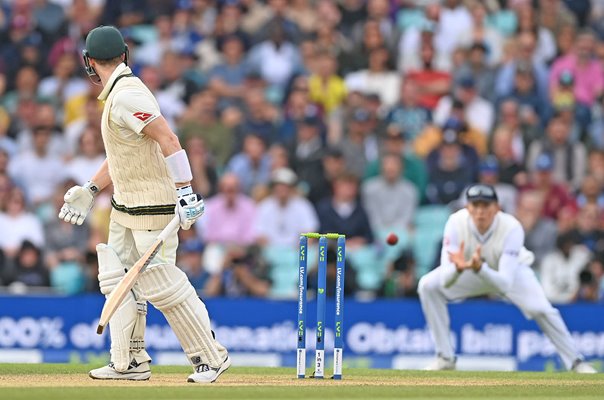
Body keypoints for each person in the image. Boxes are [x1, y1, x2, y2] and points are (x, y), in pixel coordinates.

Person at [57, 26, 229, 383]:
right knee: (115, 278)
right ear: (123, 54)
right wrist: (91, 188)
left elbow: (169, 138)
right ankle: (130, 361)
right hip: (124, 205)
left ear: (88, 62)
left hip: (153, 206)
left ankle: (210, 357)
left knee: (160, 283)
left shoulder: (128, 95)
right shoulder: (117, 94)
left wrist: (185, 191)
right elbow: (123, 155)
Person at [417, 183, 597, 373]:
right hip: (469, 272)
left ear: (496, 208)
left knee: (542, 310)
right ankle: (445, 358)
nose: (480, 212)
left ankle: (576, 362)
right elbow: (446, 280)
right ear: (467, 207)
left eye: (485, 205)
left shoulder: (511, 227)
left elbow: (504, 284)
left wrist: (481, 268)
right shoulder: (455, 223)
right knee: (427, 286)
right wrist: (459, 268)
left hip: (510, 273)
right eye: (475, 205)